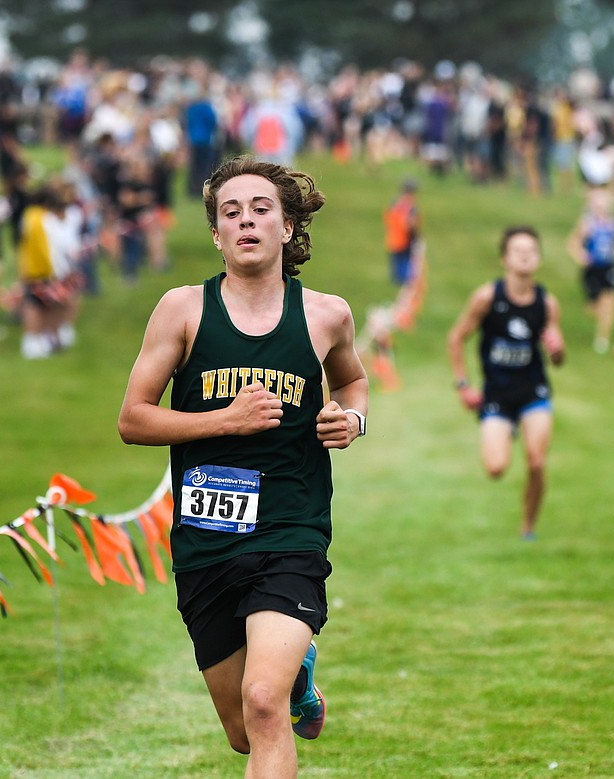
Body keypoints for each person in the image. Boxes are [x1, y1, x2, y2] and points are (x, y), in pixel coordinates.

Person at [117, 155, 368, 778]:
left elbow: (354, 382)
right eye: (232, 212)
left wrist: (351, 419)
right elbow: (133, 419)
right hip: (207, 537)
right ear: (216, 234)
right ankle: (299, 678)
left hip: (292, 527)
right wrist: (221, 421)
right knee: (242, 731)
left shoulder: (325, 315)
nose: (246, 221)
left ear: (287, 229)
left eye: (261, 210)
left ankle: (283, 677)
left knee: (263, 703)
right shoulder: (182, 310)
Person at [447, 226, 565, 540]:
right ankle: (506, 426)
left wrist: (557, 350)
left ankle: (528, 526)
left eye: (531, 250)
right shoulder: (487, 297)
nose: (525, 255)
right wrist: (463, 385)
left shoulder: (547, 303)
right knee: (496, 468)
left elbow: (558, 356)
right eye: (518, 250)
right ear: (504, 258)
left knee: (537, 462)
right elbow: (456, 338)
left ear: (538, 259)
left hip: (533, 391)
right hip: (496, 393)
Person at [567, 186, 614, 353]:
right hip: (592, 269)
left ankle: (602, 338)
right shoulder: (587, 223)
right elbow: (573, 243)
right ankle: (599, 318)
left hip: (609, 267)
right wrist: (581, 256)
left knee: (609, 302)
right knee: (593, 306)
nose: (601, 208)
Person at [382, 178, 421, 287]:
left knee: (396, 266)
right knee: (405, 268)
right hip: (405, 240)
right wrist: (416, 236)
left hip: (393, 239)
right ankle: (403, 287)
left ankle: (397, 284)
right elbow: (410, 224)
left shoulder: (394, 204)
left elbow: (387, 219)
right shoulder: (410, 207)